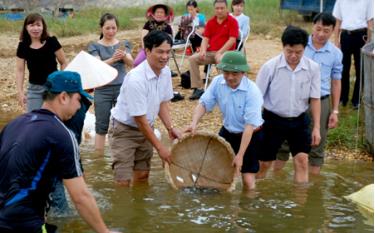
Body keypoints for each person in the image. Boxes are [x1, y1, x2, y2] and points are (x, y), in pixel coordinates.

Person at [0, 71, 119, 233]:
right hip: (23, 223)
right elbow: (80, 197)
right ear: (63, 97)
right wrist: (104, 231)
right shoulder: (60, 133)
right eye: (78, 99)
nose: (79, 107)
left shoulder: (14, 124)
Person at [109, 31, 182, 187]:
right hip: (124, 130)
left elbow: (162, 103)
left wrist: (170, 127)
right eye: (160, 51)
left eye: (168, 52)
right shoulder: (136, 78)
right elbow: (139, 119)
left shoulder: (166, 72)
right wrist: (161, 148)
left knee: (143, 176)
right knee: (123, 180)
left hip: (147, 127)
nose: (165, 56)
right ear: (147, 51)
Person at [274, 13, 343, 175]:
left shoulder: (335, 53)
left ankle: (311, 189)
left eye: (326, 31)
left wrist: (335, 111)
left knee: (316, 144)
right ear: (313, 26)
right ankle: (275, 180)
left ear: (333, 31)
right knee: (282, 143)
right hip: (295, 98)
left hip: (321, 100)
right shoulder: (300, 46)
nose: (321, 34)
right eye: (318, 29)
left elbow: (336, 82)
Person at [185, 51, 263, 190]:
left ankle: (249, 206)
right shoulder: (217, 82)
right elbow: (204, 103)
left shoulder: (253, 92)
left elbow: (249, 126)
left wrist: (240, 155)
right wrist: (194, 123)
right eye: (226, 72)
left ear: (243, 73)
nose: (230, 77)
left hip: (250, 135)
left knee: (247, 177)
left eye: (235, 74)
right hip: (227, 131)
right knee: (216, 168)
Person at [255, 26, 321, 183]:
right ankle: (255, 198)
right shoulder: (270, 67)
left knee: (302, 161)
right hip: (273, 120)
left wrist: (317, 127)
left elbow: (315, 98)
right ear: (283, 47)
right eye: (289, 51)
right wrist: (254, 123)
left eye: (298, 52)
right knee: (264, 163)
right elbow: (257, 97)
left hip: (299, 121)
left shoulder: (313, 68)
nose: (293, 56)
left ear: (305, 48)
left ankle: (300, 205)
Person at [88, 13, 134, 153]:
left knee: (125, 122)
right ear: (101, 28)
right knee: (101, 125)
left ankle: (124, 153)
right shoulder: (94, 46)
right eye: (107, 28)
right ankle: (99, 157)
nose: (111, 31)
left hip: (122, 88)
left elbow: (132, 63)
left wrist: (124, 56)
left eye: (113, 28)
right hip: (102, 89)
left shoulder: (123, 44)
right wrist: (113, 59)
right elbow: (96, 66)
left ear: (117, 28)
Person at [16, 13, 67, 112]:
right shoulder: (23, 46)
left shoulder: (52, 41)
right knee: (34, 120)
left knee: (54, 119)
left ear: (43, 27)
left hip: (54, 87)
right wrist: (20, 92)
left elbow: (64, 62)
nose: (35, 28)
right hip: (34, 89)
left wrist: (61, 82)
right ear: (26, 27)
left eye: (38, 25)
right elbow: (20, 70)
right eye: (32, 25)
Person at [188, 0, 239, 100]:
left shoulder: (232, 21)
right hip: (211, 52)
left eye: (222, 8)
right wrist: (202, 50)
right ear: (214, 9)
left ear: (227, 9)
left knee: (221, 59)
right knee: (192, 58)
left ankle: (225, 89)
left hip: (227, 53)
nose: (219, 11)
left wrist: (220, 52)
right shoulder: (211, 22)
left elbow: (232, 40)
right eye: (217, 8)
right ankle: (198, 88)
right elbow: (205, 39)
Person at [332, 0, 374, 109]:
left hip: (361, 36)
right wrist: (336, 41)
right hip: (346, 36)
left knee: (361, 70)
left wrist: (369, 42)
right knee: (343, 69)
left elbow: (370, 22)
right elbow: (337, 22)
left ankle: (356, 100)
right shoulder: (340, 1)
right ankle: (342, 98)